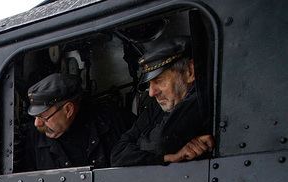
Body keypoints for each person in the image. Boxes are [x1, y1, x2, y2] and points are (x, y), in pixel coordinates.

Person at [111, 36, 214, 166]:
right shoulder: (157, 105)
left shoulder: (200, 98)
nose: (152, 93)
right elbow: (117, 154)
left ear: (190, 72)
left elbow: (163, 141)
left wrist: (142, 148)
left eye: (159, 81)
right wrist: (168, 158)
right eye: (149, 84)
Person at [25, 72, 129, 170]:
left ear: (68, 109)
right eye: (35, 117)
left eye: (43, 117)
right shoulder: (33, 138)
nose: (37, 123)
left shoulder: (112, 122)